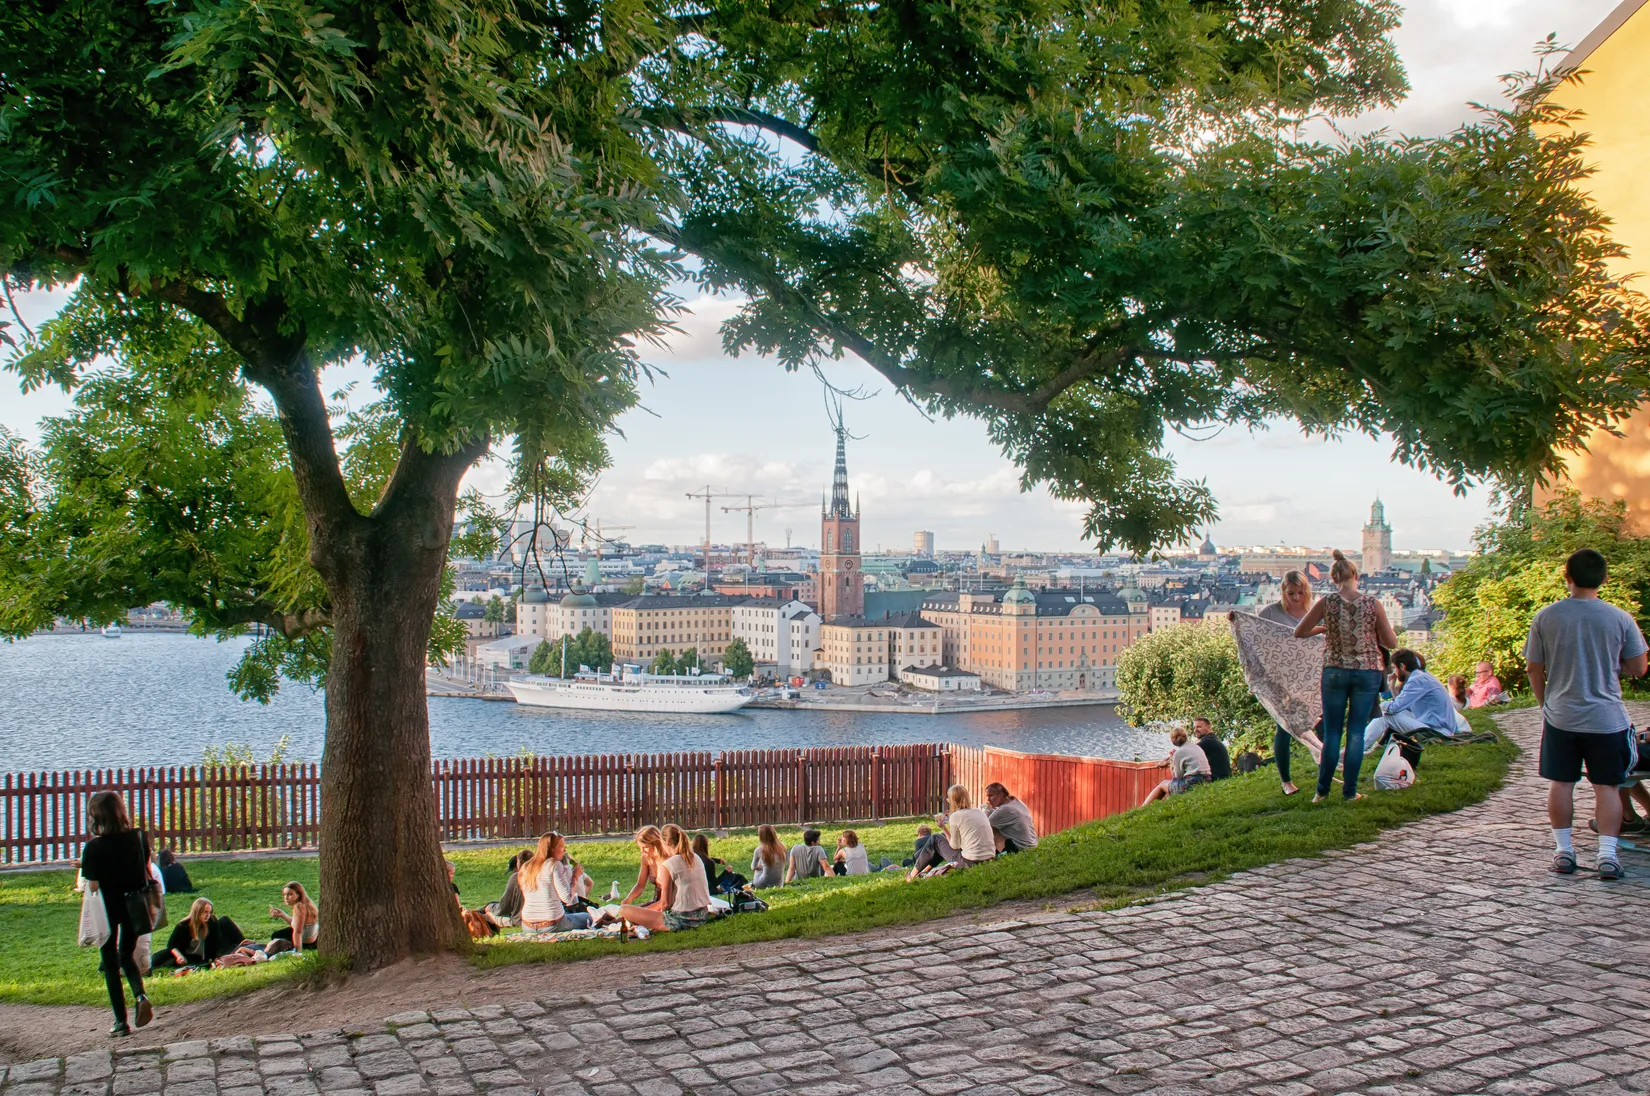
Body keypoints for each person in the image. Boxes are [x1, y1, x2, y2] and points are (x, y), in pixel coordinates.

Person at [1526, 548, 1648, 881]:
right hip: (1606, 717)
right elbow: (1639, 668)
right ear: (1604, 579)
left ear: (1568, 577)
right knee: (1607, 786)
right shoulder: (1619, 618)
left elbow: (1534, 668)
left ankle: (1563, 851)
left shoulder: (1546, 617)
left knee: (1561, 783)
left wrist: (1544, 704)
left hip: (1561, 714)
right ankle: (1608, 855)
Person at [1295, 550, 1398, 803]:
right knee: (1355, 733)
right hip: (1367, 671)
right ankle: (1349, 792)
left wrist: (1326, 627)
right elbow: (1391, 642)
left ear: (1333, 578)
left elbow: (1300, 631)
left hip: (1335, 670)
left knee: (1331, 733)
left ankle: (1321, 792)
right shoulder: (1372, 604)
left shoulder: (1326, 603)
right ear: (1356, 575)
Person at [78, 790, 155, 1035]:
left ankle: (121, 1022)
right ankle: (140, 995)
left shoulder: (93, 848)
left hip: (107, 909)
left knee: (110, 963)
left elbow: (92, 884)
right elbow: (145, 866)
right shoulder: (138, 837)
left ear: (96, 816)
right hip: (135, 905)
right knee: (127, 954)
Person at [1255, 571, 1324, 794]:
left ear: (1307, 591)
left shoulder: (1314, 612)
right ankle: (1286, 781)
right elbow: (1254, 631)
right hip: (1283, 680)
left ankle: (1326, 771)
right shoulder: (1272, 612)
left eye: (1300, 592)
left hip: (1312, 679)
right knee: (1284, 727)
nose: (1296, 597)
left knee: (1321, 724)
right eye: (1291, 593)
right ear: (1284, 591)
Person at [1366, 649, 1460, 774]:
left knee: (1385, 713)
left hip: (1436, 730)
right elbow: (1404, 708)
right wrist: (1393, 687)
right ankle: (1369, 746)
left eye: (1395, 668)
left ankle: (1358, 747)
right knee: (1388, 713)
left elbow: (1394, 708)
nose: (1394, 672)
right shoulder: (1421, 676)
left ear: (1402, 666)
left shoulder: (1417, 680)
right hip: (1434, 725)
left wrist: (1379, 705)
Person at [617, 824, 713, 933]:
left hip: (680, 920)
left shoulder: (668, 864)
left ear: (664, 842)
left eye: (645, 847)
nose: (642, 851)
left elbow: (666, 904)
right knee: (637, 911)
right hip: (702, 916)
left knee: (623, 910)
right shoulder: (695, 857)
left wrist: (646, 914)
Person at [906, 785, 996, 879]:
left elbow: (955, 846)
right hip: (989, 859)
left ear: (953, 800)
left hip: (969, 863)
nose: (947, 801)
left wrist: (944, 828)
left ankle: (911, 876)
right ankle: (925, 871)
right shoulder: (978, 811)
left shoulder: (956, 816)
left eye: (948, 799)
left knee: (936, 838)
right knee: (941, 837)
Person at [518, 832, 593, 933]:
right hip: (552, 924)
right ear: (552, 849)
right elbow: (567, 898)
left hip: (527, 925)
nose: (564, 850)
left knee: (571, 915)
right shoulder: (554, 865)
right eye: (561, 847)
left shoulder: (526, 866)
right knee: (587, 917)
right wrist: (575, 876)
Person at [154, 898, 247, 969]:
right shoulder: (183, 925)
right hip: (188, 954)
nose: (208, 915)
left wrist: (216, 957)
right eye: (205, 912)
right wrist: (179, 956)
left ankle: (246, 945)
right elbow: (172, 944)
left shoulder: (212, 922)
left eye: (209, 912)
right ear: (197, 912)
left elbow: (215, 943)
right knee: (161, 957)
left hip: (204, 955)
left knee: (225, 920)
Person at [1141, 726, 1213, 805]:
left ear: (1174, 739)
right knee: (1170, 788)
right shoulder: (1197, 747)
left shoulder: (1179, 753)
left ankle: (1143, 807)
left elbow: (1177, 777)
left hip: (1192, 784)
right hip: (1206, 781)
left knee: (1163, 784)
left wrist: (1172, 761)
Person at [621, 825, 670, 907]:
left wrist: (646, 911)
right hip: (656, 901)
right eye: (640, 847)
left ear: (656, 844)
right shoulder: (646, 858)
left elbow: (666, 900)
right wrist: (629, 898)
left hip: (668, 904)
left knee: (635, 915)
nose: (642, 851)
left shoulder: (668, 860)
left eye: (645, 847)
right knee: (624, 913)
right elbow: (640, 885)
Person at [484, 848, 533, 927]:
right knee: (491, 905)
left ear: (518, 864)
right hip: (546, 920)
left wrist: (491, 908)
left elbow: (503, 908)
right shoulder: (542, 874)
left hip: (522, 921)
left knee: (487, 914)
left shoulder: (517, 877)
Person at [983, 783, 1039, 853]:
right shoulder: (1016, 802)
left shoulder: (1005, 809)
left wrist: (988, 809)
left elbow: (984, 824)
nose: (988, 799)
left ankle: (994, 853)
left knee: (991, 829)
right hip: (1033, 844)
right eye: (987, 796)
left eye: (991, 795)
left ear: (1001, 795)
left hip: (1022, 847)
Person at [268, 881, 319, 953]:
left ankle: (290, 948)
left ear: (299, 894)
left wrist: (298, 952)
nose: (286, 897)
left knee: (276, 936)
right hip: (312, 939)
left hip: (306, 942)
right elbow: (297, 924)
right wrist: (282, 915)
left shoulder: (299, 907)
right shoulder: (305, 904)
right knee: (278, 935)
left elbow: (298, 932)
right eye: (285, 894)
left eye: (290, 894)